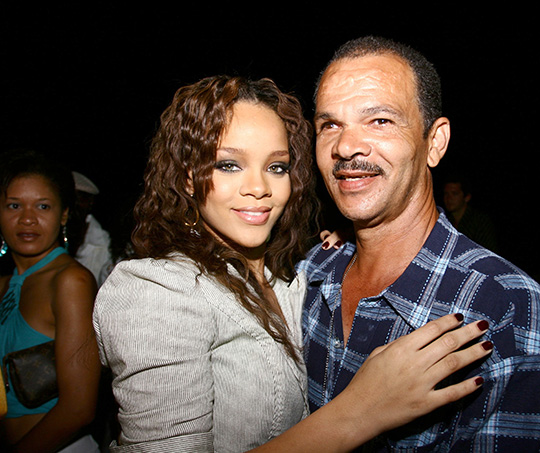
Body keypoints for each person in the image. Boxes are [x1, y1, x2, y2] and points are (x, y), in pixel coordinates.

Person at [93, 75, 494, 452]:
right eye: (228, 164)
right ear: (185, 178)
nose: (258, 188)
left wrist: (346, 242)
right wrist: (362, 411)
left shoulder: (288, 277)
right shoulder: (155, 291)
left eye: (276, 167)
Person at [300, 36, 540, 451]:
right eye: (330, 124)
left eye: (380, 121)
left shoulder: (505, 309)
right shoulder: (312, 272)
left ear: (435, 142)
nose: (345, 146)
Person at [0, 150, 101, 452]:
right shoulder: (4, 284)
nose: (28, 218)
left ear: (64, 215)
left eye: (43, 206)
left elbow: (79, 408)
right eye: (14, 205)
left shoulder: (70, 282)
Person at [70, 171, 113, 286]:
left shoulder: (103, 245)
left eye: (79, 199)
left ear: (90, 203)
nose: (73, 208)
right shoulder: (47, 236)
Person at [442, 176, 499, 252]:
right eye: (446, 194)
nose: (449, 198)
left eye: (454, 193)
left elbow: (489, 252)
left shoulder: (479, 221)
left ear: (467, 197)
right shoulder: (445, 221)